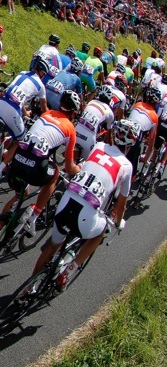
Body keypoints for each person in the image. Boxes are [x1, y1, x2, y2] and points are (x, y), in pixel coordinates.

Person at [31, 121, 133, 285]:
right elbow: (122, 203)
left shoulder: (98, 146)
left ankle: (29, 287)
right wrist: (118, 222)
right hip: (86, 216)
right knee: (102, 231)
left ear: (114, 135)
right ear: (131, 144)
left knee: (52, 246)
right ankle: (70, 269)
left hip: (66, 203)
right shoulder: (127, 166)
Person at [0, 91, 82, 237]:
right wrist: (79, 168)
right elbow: (69, 168)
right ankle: (34, 217)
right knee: (55, 174)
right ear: (74, 113)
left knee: (20, 195)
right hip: (35, 168)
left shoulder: (46, 113)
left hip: (17, 160)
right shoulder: (70, 128)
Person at [124, 86, 160, 183]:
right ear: (156, 103)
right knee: (133, 174)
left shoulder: (137, 104)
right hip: (134, 140)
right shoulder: (155, 117)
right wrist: (146, 158)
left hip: (122, 131)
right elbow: (151, 142)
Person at [75, 85, 121, 159]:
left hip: (75, 132)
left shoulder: (91, 102)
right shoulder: (110, 112)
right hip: (88, 139)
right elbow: (109, 138)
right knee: (89, 162)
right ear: (110, 99)